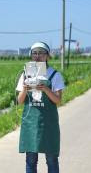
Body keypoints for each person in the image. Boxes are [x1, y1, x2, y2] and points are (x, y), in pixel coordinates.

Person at [16, 42, 65, 173]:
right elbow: (19, 101)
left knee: (51, 159)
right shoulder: (26, 74)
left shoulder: (55, 74)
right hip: (30, 123)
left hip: (48, 123)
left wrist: (45, 89)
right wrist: (25, 89)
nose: (37, 56)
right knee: (31, 160)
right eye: (34, 53)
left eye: (41, 53)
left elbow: (58, 100)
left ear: (47, 56)